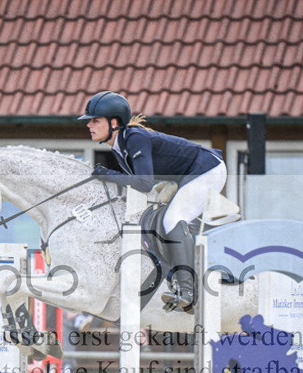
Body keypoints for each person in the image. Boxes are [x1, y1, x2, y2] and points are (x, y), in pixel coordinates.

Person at [81, 90, 226, 311]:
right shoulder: (120, 147)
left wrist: (106, 174)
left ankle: (187, 290)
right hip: (186, 176)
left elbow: (144, 183)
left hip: (207, 170)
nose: (89, 125)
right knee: (156, 219)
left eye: (95, 120)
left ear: (114, 122)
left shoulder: (134, 139)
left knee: (173, 219)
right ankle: (172, 275)